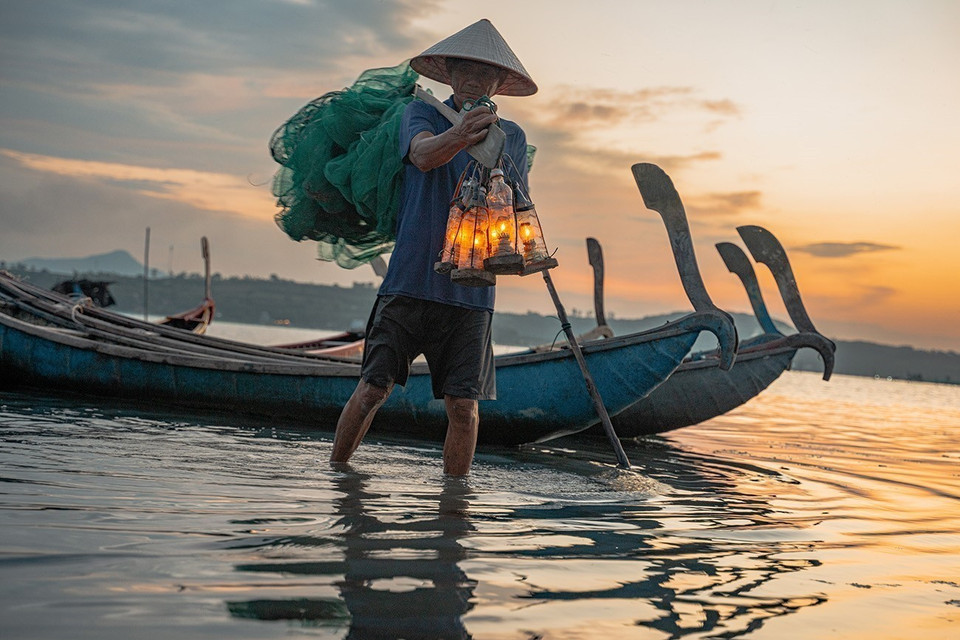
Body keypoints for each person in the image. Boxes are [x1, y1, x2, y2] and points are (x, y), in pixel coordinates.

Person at [330, 19, 537, 475]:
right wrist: (461, 135)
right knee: (373, 390)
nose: (473, 80)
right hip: (409, 281)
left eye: (485, 73)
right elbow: (423, 156)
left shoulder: (513, 137)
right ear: (449, 73)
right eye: (465, 69)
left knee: (463, 407)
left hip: (471, 291)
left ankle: (454, 505)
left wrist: (494, 154)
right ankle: (337, 478)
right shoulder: (421, 113)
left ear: (499, 84)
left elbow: (512, 205)